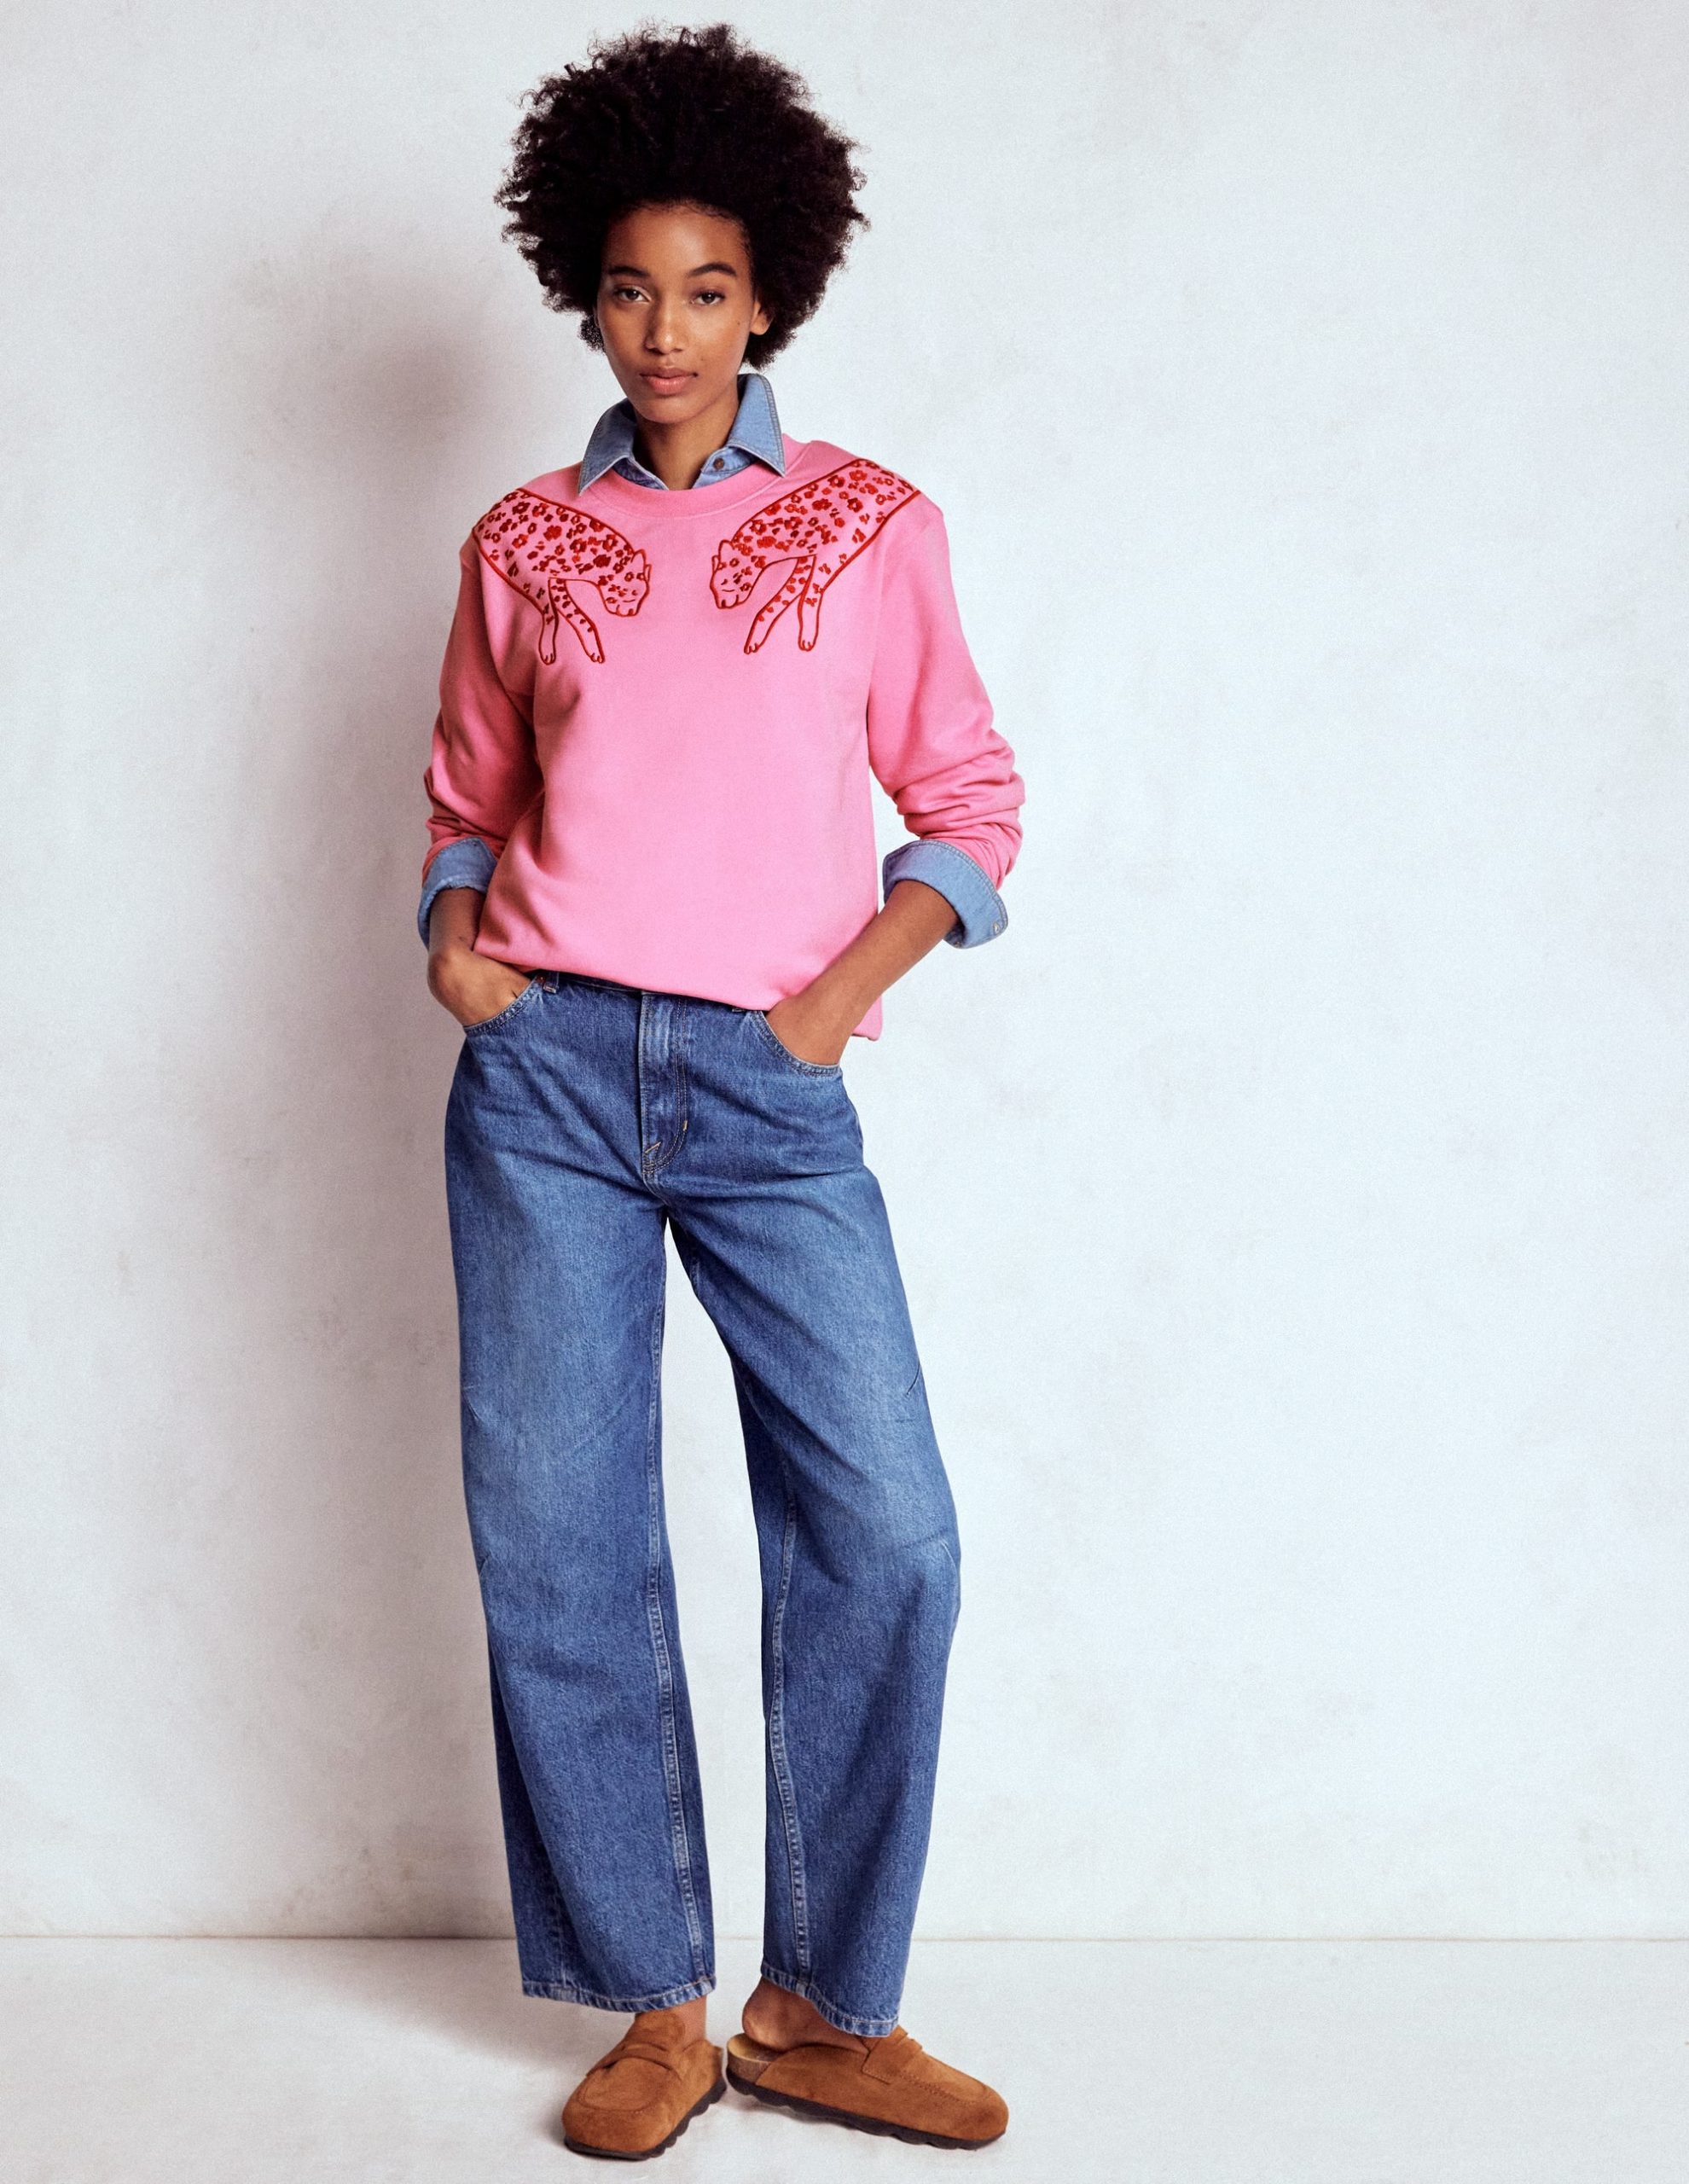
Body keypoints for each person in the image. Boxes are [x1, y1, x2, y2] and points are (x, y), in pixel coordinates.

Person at [419, 22, 1026, 2161]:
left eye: (705, 289)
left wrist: (828, 1006)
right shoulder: (522, 540)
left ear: (770, 296)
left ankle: (824, 2008)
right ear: (581, 298)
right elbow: (465, 799)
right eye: (626, 289)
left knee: (888, 1528)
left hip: (772, 1085)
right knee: (562, 1540)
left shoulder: (870, 527)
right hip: (548, 1084)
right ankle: (658, 2003)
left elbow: (968, 804)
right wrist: (459, 950)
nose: (663, 330)